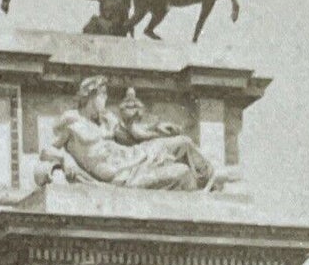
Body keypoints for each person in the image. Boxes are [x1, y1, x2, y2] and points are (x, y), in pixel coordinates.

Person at [49, 76, 216, 191]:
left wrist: (157, 130)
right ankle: (211, 182)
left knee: (183, 142)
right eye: (102, 94)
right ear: (90, 95)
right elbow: (48, 150)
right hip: (120, 175)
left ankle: (213, 179)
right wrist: (64, 162)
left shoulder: (107, 118)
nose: (105, 99)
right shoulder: (71, 121)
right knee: (182, 172)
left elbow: (133, 134)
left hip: (132, 157)